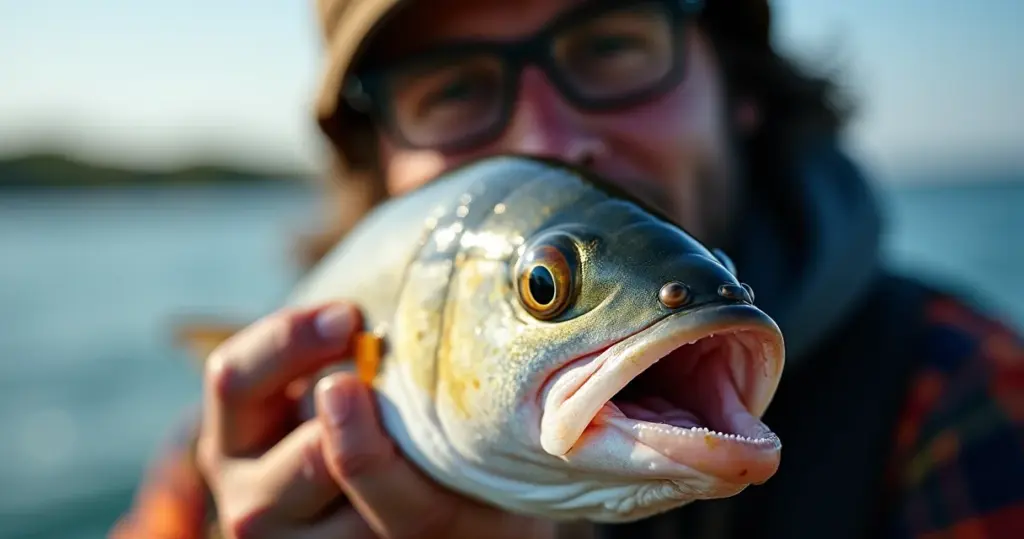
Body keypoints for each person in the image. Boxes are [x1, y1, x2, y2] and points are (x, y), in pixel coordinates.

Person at [111, 0, 1024, 538]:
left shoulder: (964, 391)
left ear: (739, 82)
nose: (552, 141)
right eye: (455, 86)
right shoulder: (237, 453)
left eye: (609, 42)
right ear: (381, 161)